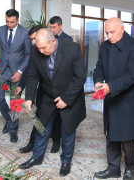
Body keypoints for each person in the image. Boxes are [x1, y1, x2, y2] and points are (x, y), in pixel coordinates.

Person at [19, 28, 86, 177]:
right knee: (41, 127)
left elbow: (80, 77)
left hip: (69, 94)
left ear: (53, 41)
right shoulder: (35, 51)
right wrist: (29, 98)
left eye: (44, 47)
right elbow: (32, 76)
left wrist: (66, 99)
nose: (41, 51)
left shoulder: (72, 49)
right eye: (39, 47)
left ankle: (66, 161)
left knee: (67, 130)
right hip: (48, 95)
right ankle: (36, 157)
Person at [93, 17, 134, 180]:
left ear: (123, 29)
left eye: (112, 32)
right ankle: (113, 167)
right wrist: (98, 81)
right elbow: (99, 67)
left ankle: (131, 167)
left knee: (127, 137)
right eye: (106, 32)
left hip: (128, 98)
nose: (109, 36)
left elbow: (132, 75)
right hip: (111, 96)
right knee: (111, 134)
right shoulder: (105, 46)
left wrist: (110, 87)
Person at [0, 9, 32, 143]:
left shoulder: (24, 33)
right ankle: (9, 120)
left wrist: (20, 71)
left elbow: (29, 54)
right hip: (2, 70)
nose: (8, 24)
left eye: (11, 22)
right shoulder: (0, 30)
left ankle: (13, 131)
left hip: (16, 72)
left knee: (14, 101)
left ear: (17, 21)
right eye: (7, 21)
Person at [14, 25, 46, 153]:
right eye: (32, 39)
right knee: (38, 117)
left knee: (59, 119)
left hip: (59, 91)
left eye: (34, 39)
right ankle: (31, 144)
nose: (33, 42)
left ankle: (55, 142)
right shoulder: (34, 50)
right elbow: (29, 71)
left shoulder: (53, 47)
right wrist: (21, 86)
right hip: (43, 90)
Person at [48, 15, 73, 152]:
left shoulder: (68, 39)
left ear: (60, 26)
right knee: (54, 115)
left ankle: (65, 141)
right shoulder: (48, 39)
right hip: (51, 83)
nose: (52, 30)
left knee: (64, 115)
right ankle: (55, 141)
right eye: (50, 27)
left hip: (64, 82)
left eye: (54, 27)